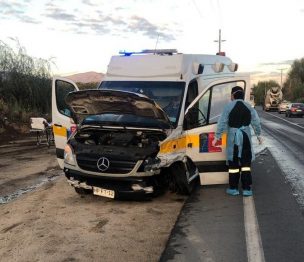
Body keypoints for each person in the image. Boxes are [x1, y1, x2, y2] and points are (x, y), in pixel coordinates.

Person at [212, 86, 262, 196]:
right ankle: (247, 189)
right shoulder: (249, 106)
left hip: (233, 138)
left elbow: (222, 123)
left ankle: (233, 188)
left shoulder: (228, 107)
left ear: (233, 95)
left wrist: (217, 137)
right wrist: (259, 135)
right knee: (246, 163)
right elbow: (256, 122)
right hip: (245, 137)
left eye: (231, 94)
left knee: (233, 163)